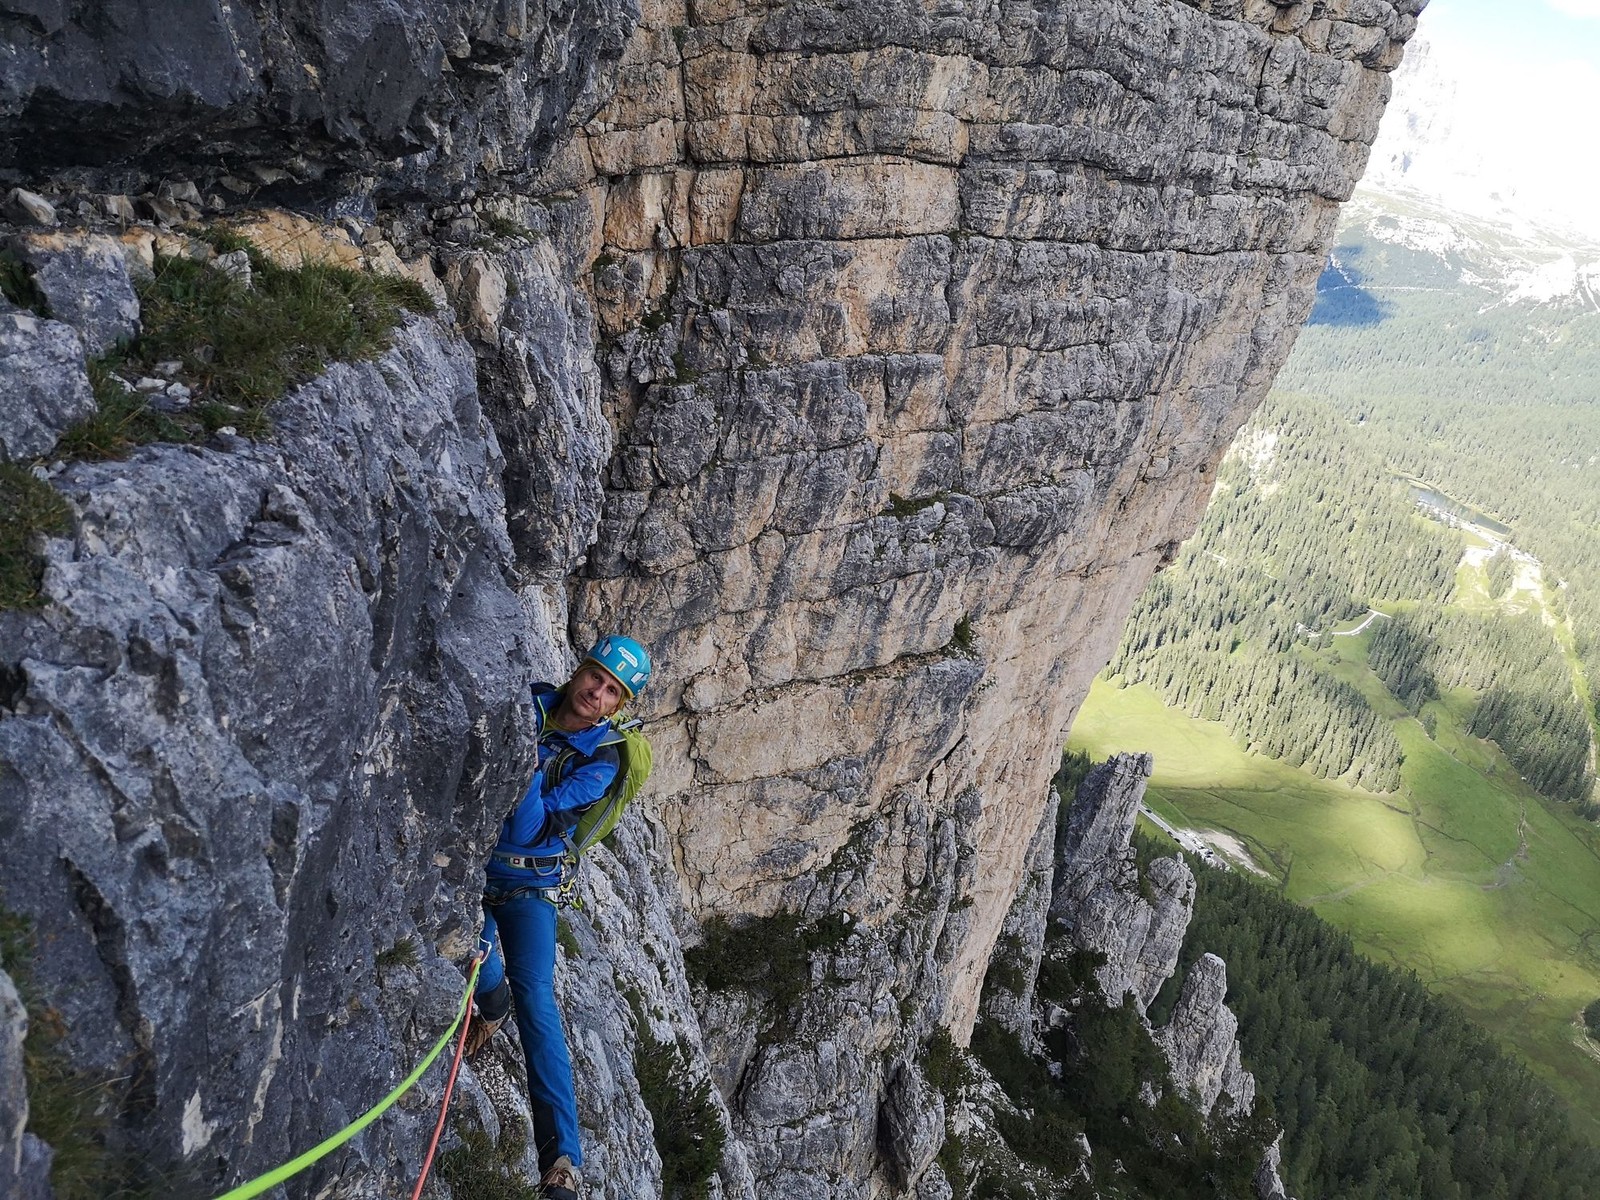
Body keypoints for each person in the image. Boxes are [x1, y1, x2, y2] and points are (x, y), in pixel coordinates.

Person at [468, 635, 652, 1200]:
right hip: (473, 867)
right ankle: (490, 999)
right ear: (580, 671)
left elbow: (532, 826)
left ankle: (561, 1164)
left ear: (618, 706)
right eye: (596, 677)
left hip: (530, 882)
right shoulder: (532, 703)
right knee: (472, 957)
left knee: (539, 1003)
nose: (597, 692)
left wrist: (519, 755)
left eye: (611, 691)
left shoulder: (603, 758)